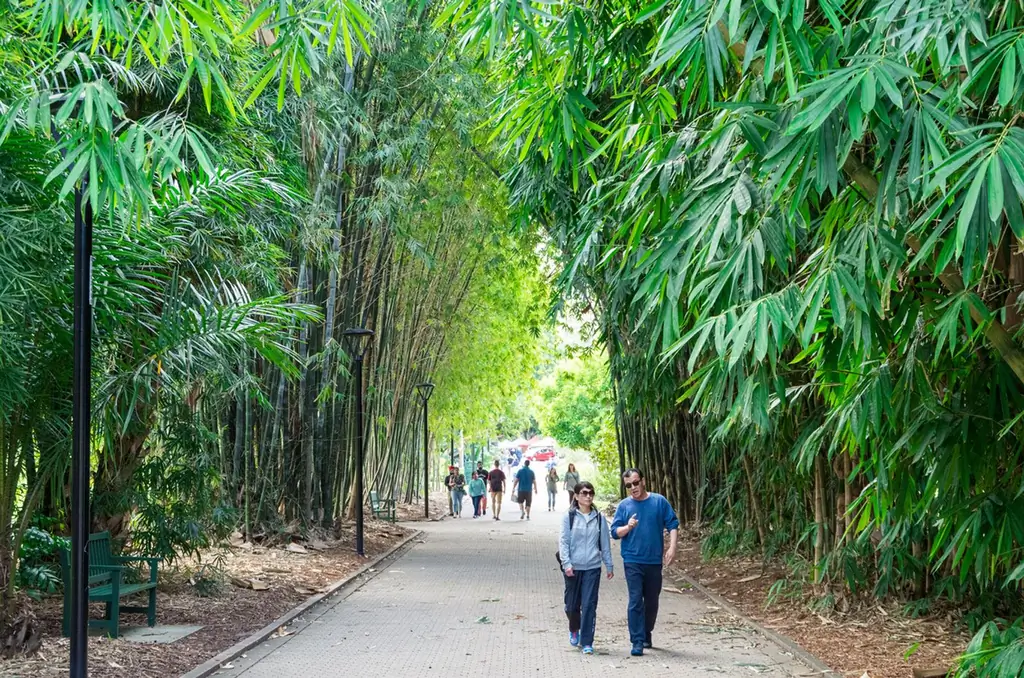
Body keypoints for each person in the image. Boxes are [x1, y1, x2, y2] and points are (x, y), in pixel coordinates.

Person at [610, 468, 679, 656]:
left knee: (651, 601)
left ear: (643, 481)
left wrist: (672, 547)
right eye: (628, 485)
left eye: (635, 482)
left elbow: (672, 524)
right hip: (632, 559)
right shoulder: (624, 506)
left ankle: (647, 631)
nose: (633, 487)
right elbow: (614, 532)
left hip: (654, 560)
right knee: (635, 600)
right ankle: (637, 641)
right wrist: (628, 526)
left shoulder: (659, 501)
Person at [559, 481, 613, 655]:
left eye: (591, 493)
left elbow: (605, 543)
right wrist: (566, 563)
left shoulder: (599, 518)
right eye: (584, 493)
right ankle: (574, 628)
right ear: (576, 496)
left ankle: (587, 641)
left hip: (592, 566)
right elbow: (564, 541)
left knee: (589, 604)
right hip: (573, 567)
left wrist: (609, 564)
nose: (588, 496)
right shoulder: (569, 517)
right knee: (571, 605)